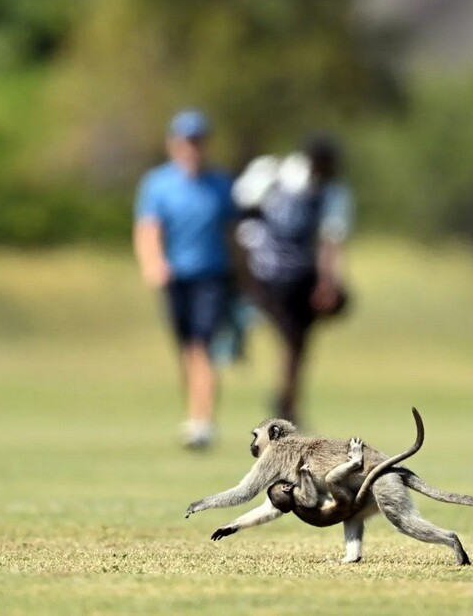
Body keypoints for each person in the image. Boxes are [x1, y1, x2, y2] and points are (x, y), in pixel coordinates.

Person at [133, 109, 236, 449]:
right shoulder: (157, 184)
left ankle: (202, 421)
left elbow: (232, 233)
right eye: (186, 141)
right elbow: (148, 229)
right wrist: (153, 263)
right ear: (173, 144)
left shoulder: (221, 185)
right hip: (176, 278)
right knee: (185, 349)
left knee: (201, 346)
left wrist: (246, 276)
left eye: (198, 141)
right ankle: (195, 414)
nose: (192, 147)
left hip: (213, 276)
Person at [232, 134, 353, 424]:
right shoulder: (273, 177)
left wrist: (327, 283)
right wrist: (241, 270)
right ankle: (285, 403)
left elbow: (330, 240)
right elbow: (238, 216)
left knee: (297, 342)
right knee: (292, 340)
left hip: (301, 278)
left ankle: (286, 401)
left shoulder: (330, 194)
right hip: (266, 274)